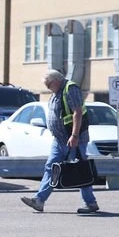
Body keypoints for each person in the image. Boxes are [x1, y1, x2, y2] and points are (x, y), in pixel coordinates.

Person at [21, 69, 99, 214]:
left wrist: (74, 135)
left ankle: (90, 203)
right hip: (59, 139)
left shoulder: (70, 89)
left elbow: (77, 112)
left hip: (74, 138)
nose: (47, 88)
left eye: (48, 84)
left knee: (81, 169)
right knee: (51, 167)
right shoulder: (56, 92)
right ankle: (39, 200)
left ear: (56, 81)